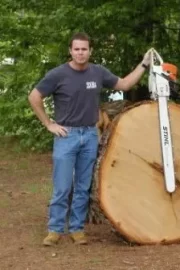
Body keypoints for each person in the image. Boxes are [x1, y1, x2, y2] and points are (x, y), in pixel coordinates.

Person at [28, 32, 151, 246]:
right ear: (70, 51)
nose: (80, 53)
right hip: (67, 136)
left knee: (83, 186)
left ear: (90, 51)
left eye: (84, 49)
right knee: (63, 187)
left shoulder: (98, 72)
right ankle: (55, 230)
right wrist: (49, 124)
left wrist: (144, 64)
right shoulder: (58, 74)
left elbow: (124, 85)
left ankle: (77, 229)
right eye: (76, 49)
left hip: (89, 135)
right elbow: (34, 96)